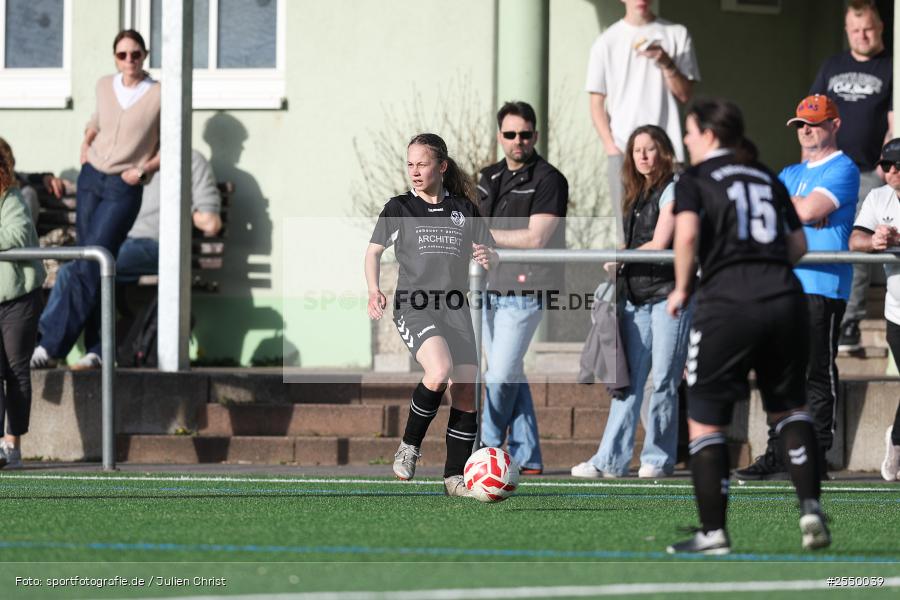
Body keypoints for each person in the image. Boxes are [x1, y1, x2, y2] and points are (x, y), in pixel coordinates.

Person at [665, 98, 829, 554]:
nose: (687, 140)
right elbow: (797, 245)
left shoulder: (694, 179)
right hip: (784, 298)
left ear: (710, 135)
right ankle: (810, 507)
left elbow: (689, 234)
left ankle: (714, 532)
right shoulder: (767, 177)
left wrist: (681, 287)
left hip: (727, 303)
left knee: (705, 421)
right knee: (790, 407)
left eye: (690, 132)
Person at [365, 133, 496, 497]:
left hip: (456, 309)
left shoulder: (464, 210)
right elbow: (373, 252)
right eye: (410, 164)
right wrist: (374, 289)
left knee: (467, 388)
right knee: (438, 371)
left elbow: (490, 254)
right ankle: (409, 446)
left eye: (422, 164)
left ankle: (454, 478)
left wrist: (488, 258)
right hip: (415, 305)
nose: (415, 171)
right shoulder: (399, 208)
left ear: (442, 166)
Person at [736, 95, 859, 481]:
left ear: (834, 125)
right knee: (778, 374)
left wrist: (797, 211)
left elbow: (803, 213)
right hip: (782, 285)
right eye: (801, 125)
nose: (806, 131)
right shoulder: (790, 172)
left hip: (822, 286)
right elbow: (766, 213)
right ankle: (778, 453)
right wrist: (800, 210)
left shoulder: (844, 168)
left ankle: (817, 456)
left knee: (815, 373)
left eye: (814, 124)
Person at [31, 29, 160, 370]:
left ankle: (50, 345)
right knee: (95, 264)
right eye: (122, 55)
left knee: (92, 259)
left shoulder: (159, 93)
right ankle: (99, 348)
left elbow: (171, 143)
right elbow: (97, 120)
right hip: (91, 180)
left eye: (135, 54)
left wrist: (143, 170)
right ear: (114, 57)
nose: (129, 60)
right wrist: (86, 144)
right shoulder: (105, 85)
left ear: (145, 55)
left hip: (123, 186)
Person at [571, 125, 692, 479]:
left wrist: (620, 256)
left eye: (650, 149)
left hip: (669, 296)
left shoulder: (674, 188)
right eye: (636, 149)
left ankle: (657, 459)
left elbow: (660, 243)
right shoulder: (636, 193)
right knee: (626, 382)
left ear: (664, 152)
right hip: (636, 297)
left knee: (665, 381)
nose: (641, 155)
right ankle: (611, 460)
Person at [476, 101, 568, 475]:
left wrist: (484, 237)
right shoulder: (488, 176)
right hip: (484, 288)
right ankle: (527, 454)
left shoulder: (550, 179)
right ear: (500, 136)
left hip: (526, 290)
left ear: (536, 136)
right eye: (511, 134)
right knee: (507, 370)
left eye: (525, 134)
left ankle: (485, 448)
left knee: (500, 373)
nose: (518, 141)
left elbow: (537, 238)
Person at [809, 0, 893, 352]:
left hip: (870, 172)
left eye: (868, 29)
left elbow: (894, 120)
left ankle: (851, 322)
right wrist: (810, 167)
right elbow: (812, 119)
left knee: (859, 245)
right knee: (825, 240)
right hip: (830, 170)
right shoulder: (832, 65)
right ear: (846, 31)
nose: (861, 35)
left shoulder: (892, 66)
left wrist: (887, 160)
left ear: (881, 27)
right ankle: (823, 316)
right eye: (855, 30)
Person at [586, 0, 699, 240]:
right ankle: (626, 277)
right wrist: (612, 148)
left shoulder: (676, 34)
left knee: (675, 233)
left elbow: (685, 94)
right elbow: (596, 103)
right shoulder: (606, 42)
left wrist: (666, 61)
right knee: (627, 233)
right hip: (625, 152)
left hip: (670, 153)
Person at [846, 138, 900, 481]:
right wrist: (875, 242)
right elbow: (855, 240)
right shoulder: (879, 196)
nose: (892, 173)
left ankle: (896, 437)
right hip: (897, 311)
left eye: (899, 166)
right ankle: (896, 440)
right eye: (887, 166)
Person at [0, 138, 46, 468]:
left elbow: (16, 234)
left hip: (18, 299)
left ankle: (12, 446)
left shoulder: (12, 198)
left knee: (16, 372)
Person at [117, 149, 222, 282]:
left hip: (159, 245)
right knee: (93, 258)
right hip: (121, 240)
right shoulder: (130, 157)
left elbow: (211, 224)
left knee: (100, 261)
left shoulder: (190, 160)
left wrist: (177, 205)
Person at [0, 137, 69, 226]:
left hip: (18, 233)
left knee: (29, 192)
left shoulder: (19, 183)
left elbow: (30, 177)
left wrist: (47, 177)